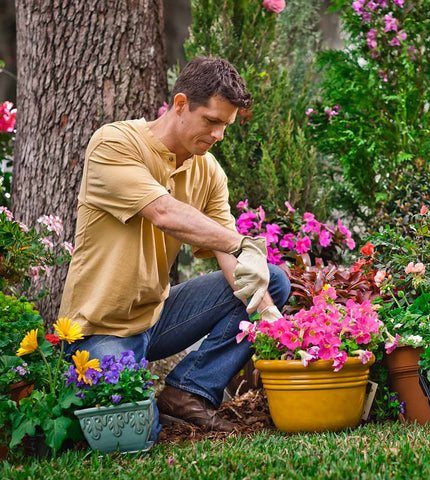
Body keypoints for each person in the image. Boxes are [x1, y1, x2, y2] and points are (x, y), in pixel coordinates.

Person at [58, 57, 290, 437]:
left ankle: (188, 392)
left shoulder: (208, 170)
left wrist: (271, 321)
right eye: (212, 121)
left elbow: (232, 259)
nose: (218, 134)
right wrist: (245, 245)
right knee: (135, 434)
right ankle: (145, 407)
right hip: (99, 330)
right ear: (180, 104)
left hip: (159, 318)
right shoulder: (115, 143)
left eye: (225, 126)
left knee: (274, 283)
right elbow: (164, 212)